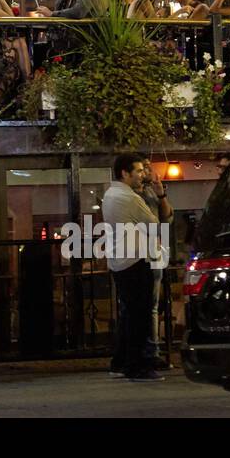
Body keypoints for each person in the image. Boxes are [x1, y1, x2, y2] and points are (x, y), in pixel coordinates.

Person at [103, 153, 164, 382]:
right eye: (138, 171)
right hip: (136, 260)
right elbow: (155, 224)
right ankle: (137, 366)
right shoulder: (130, 198)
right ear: (124, 173)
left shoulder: (110, 194)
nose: (142, 175)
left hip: (120, 262)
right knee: (140, 316)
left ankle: (120, 362)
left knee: (129, 315)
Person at [137, 168, 174, 369]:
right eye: (142, 168)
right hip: (137, 253)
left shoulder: (151, 192)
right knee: (138, 306)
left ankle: (152, 351)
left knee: (152, 305)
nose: (147, 172)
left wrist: (161, 195)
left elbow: (167, 218)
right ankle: (143, 351)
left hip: (154, 251)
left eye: (147, 168)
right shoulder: (130, 194)